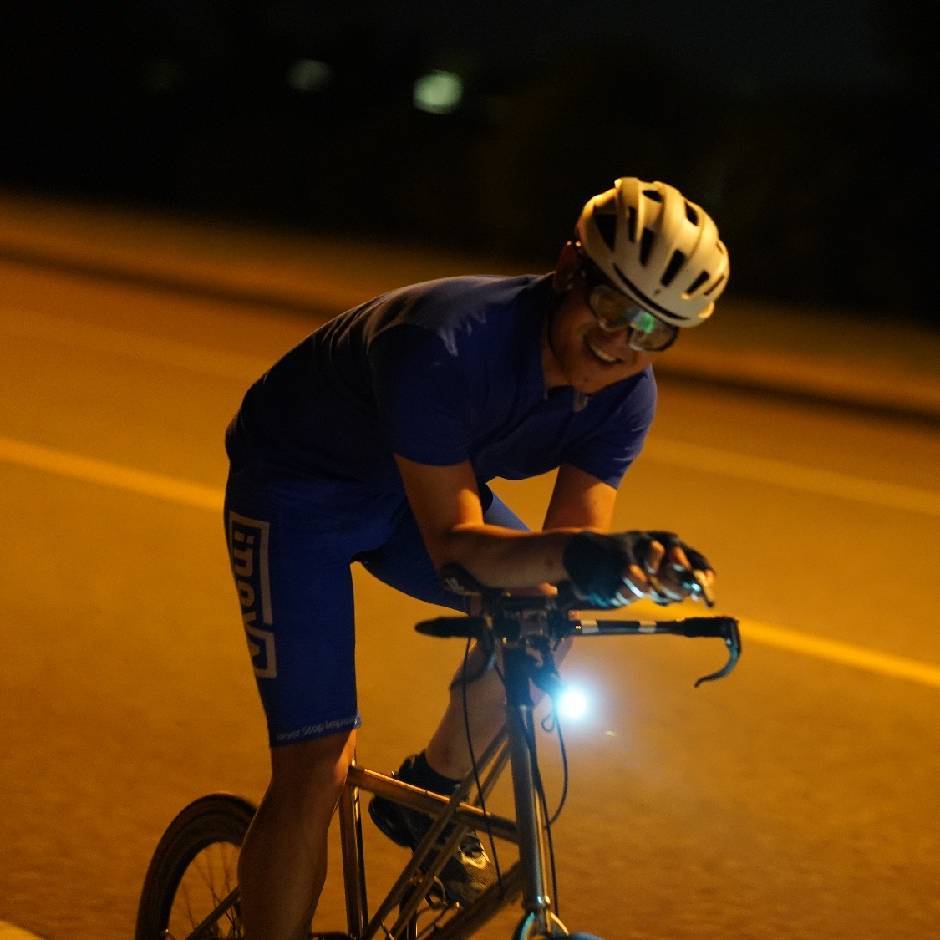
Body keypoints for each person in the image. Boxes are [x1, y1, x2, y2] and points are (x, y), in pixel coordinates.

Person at [223, 176, 730, 939]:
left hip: (414, 489)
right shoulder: (445, 343)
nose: (622, 340)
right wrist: (585, 558)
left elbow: (564, 559)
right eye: (610, 304)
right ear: (569, 268)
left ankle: (429, 792)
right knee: (317, 764)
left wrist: (632, 570)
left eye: (654, 328)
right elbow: (459, 550)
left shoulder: (627, 396)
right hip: (299, 491)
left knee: (545, 620)